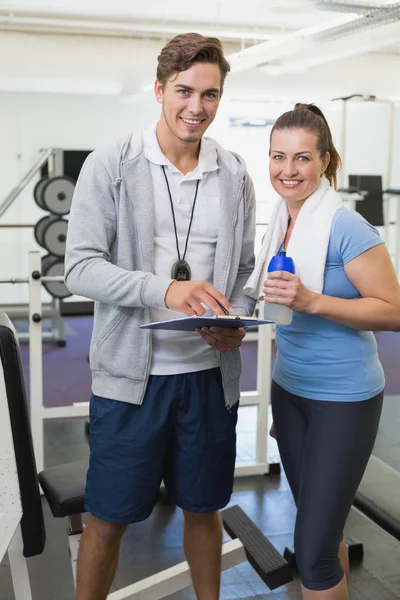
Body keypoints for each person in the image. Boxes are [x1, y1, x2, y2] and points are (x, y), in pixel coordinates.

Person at [64, 33, 256, 600]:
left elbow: (243, 270)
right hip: (130, 383)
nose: (196, 107)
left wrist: (237, 319)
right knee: (109, 517)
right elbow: (79, 270)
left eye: (211, 94)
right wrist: (162, 292)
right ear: (158, 90)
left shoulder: (236, 173)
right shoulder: (112, 165)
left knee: (204, 509)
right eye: (184, 91)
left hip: (207, 379)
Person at [245, 103, 400, 600]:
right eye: (277, 156)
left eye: (302, 158)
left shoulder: (345, 227)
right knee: (323, 534)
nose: (287, 171)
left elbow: (394, 311)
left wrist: (314, 301)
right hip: (292, 393)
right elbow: (279, 317)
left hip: (344, 398)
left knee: (311, 551)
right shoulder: (279, 221)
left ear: (326, 161)